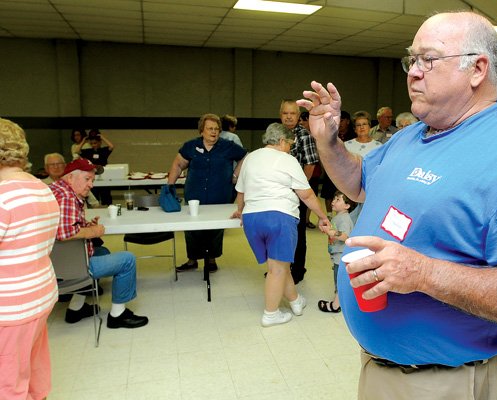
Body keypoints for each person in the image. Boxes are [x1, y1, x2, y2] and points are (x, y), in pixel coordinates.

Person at [298, 11, 497, 400]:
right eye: (411, 61)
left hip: (449, 381)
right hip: (382, 369)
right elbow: (361, 183)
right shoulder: (411, 136)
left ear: (477, 69)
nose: (413, 72)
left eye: (428, 60)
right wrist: (328, 142)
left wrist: (423, 273)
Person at [231, 123, 329, 326]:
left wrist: (240, 211)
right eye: (290, 145)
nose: (290, 149)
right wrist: (322, 216)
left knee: (278, 265)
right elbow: (307, 194)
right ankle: (271, 314)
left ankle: (295, 301)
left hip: (252, 219)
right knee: (278, 269)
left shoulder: (250, 158)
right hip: (279, 216)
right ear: (282, 141)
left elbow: (240, 192)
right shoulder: (287, 160)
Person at [0, 118, 60, 400]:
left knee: (8, 385)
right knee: (34, 374)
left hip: (10, 308)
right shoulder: (41, 188)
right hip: (39, 296)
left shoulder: (2, 196)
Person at [50, 158, 149, 329]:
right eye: (87, 179)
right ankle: (118, 315)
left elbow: (62, 227)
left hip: (56, 264)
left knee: (102, 251)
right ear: (70, 177)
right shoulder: (67, 197)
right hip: (71, 268)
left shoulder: (56, 191)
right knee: (127, 260)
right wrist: (93, 232)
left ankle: (75, 309)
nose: (91, 185)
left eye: (92, 180)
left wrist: (86, 226)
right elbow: (64, 233)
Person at [168, 113, 247, 273]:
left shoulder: (228, 146)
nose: (214, 132)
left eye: (217, 129)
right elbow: (178, 164)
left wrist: (235, 175)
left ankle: (211, 259)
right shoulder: (191, 146)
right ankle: (192, 260)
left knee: (215, 229)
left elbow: (245, 156)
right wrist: (169, 186)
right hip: (194, 195)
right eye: (210, 128)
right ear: (201, 131)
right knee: (192, 228)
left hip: (219, 194)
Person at [280, 99, 319, 284]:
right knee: (280, 233)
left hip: (297, 194)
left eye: (292, 113)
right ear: (281, 115)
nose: (289, 117)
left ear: (298, 115)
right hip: (278, 194)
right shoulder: (275, 134)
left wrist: (298, 189)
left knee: (297, 233)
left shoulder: (305, 136)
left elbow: (310, 164)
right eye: (285, 113)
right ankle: (280, 270)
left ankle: (297, 269)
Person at [318, 191, 356, 313]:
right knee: (339, 279)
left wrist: (331, 232)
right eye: (334, 199)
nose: (333, 201)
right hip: (337, 255)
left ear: (347, 206)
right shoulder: (338, 217)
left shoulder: (344, 219)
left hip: (341, 256)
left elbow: (345, 236)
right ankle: (340, 301)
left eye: (338, 200)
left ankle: (335, 306)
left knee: (339, 280)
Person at [320, 110, 355, 218]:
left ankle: (346, 214)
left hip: (347, 169)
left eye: (342, 120)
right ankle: (330, 215)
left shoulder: (353, 135)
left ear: (348, 121)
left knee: (345, 193)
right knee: (328, 191)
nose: (339, 123)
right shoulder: (331, 133)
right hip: (331, 165)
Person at [79, 129, 115, 205]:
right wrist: (84, 140)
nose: (93, 145)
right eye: (91, 143)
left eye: (95, 143)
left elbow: (111, 146)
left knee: (106, 195)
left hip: (104, 174)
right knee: (94, 196)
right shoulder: (88, 151)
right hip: (92, 175)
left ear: (99, 142)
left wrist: (102, 137)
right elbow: (77, 151)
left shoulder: (103, 150)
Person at [300, 111, 321, 229]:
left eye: (304, 120)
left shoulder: (316, 134)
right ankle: (303, 219)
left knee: (311, 194)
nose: (302, 122)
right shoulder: (298, 134)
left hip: (314, 169)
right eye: (301, 120)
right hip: (302, 169)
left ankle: (306, 219)